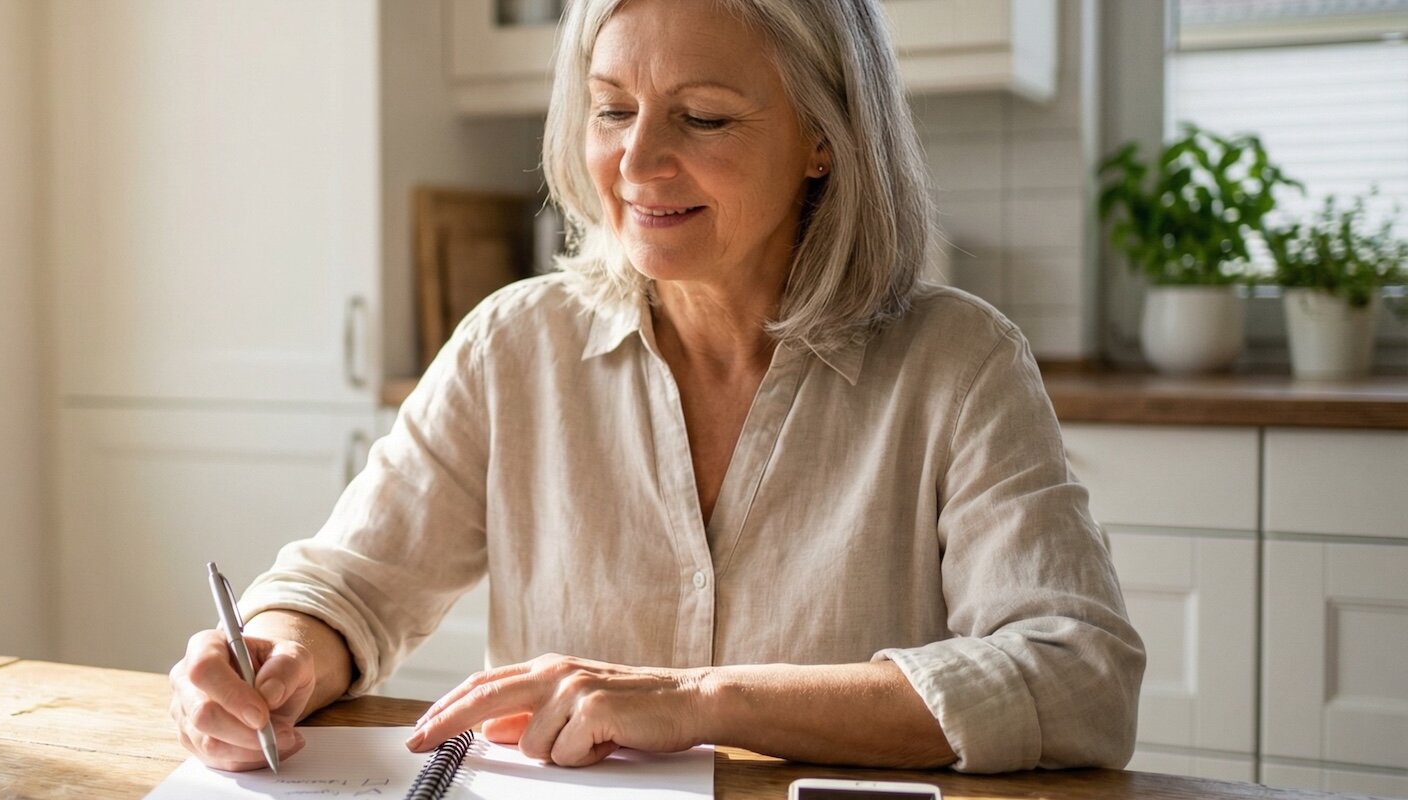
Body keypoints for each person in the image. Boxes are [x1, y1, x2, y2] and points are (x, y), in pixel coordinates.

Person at [168, 0, 1144, 775]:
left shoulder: (959, 362)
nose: (635, 163)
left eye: (703, 116)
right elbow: (345, 587)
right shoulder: (514, 346)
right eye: (611, 108)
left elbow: (1078, 677)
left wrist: (702, 699)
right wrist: (276, 649)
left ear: (825, 136)